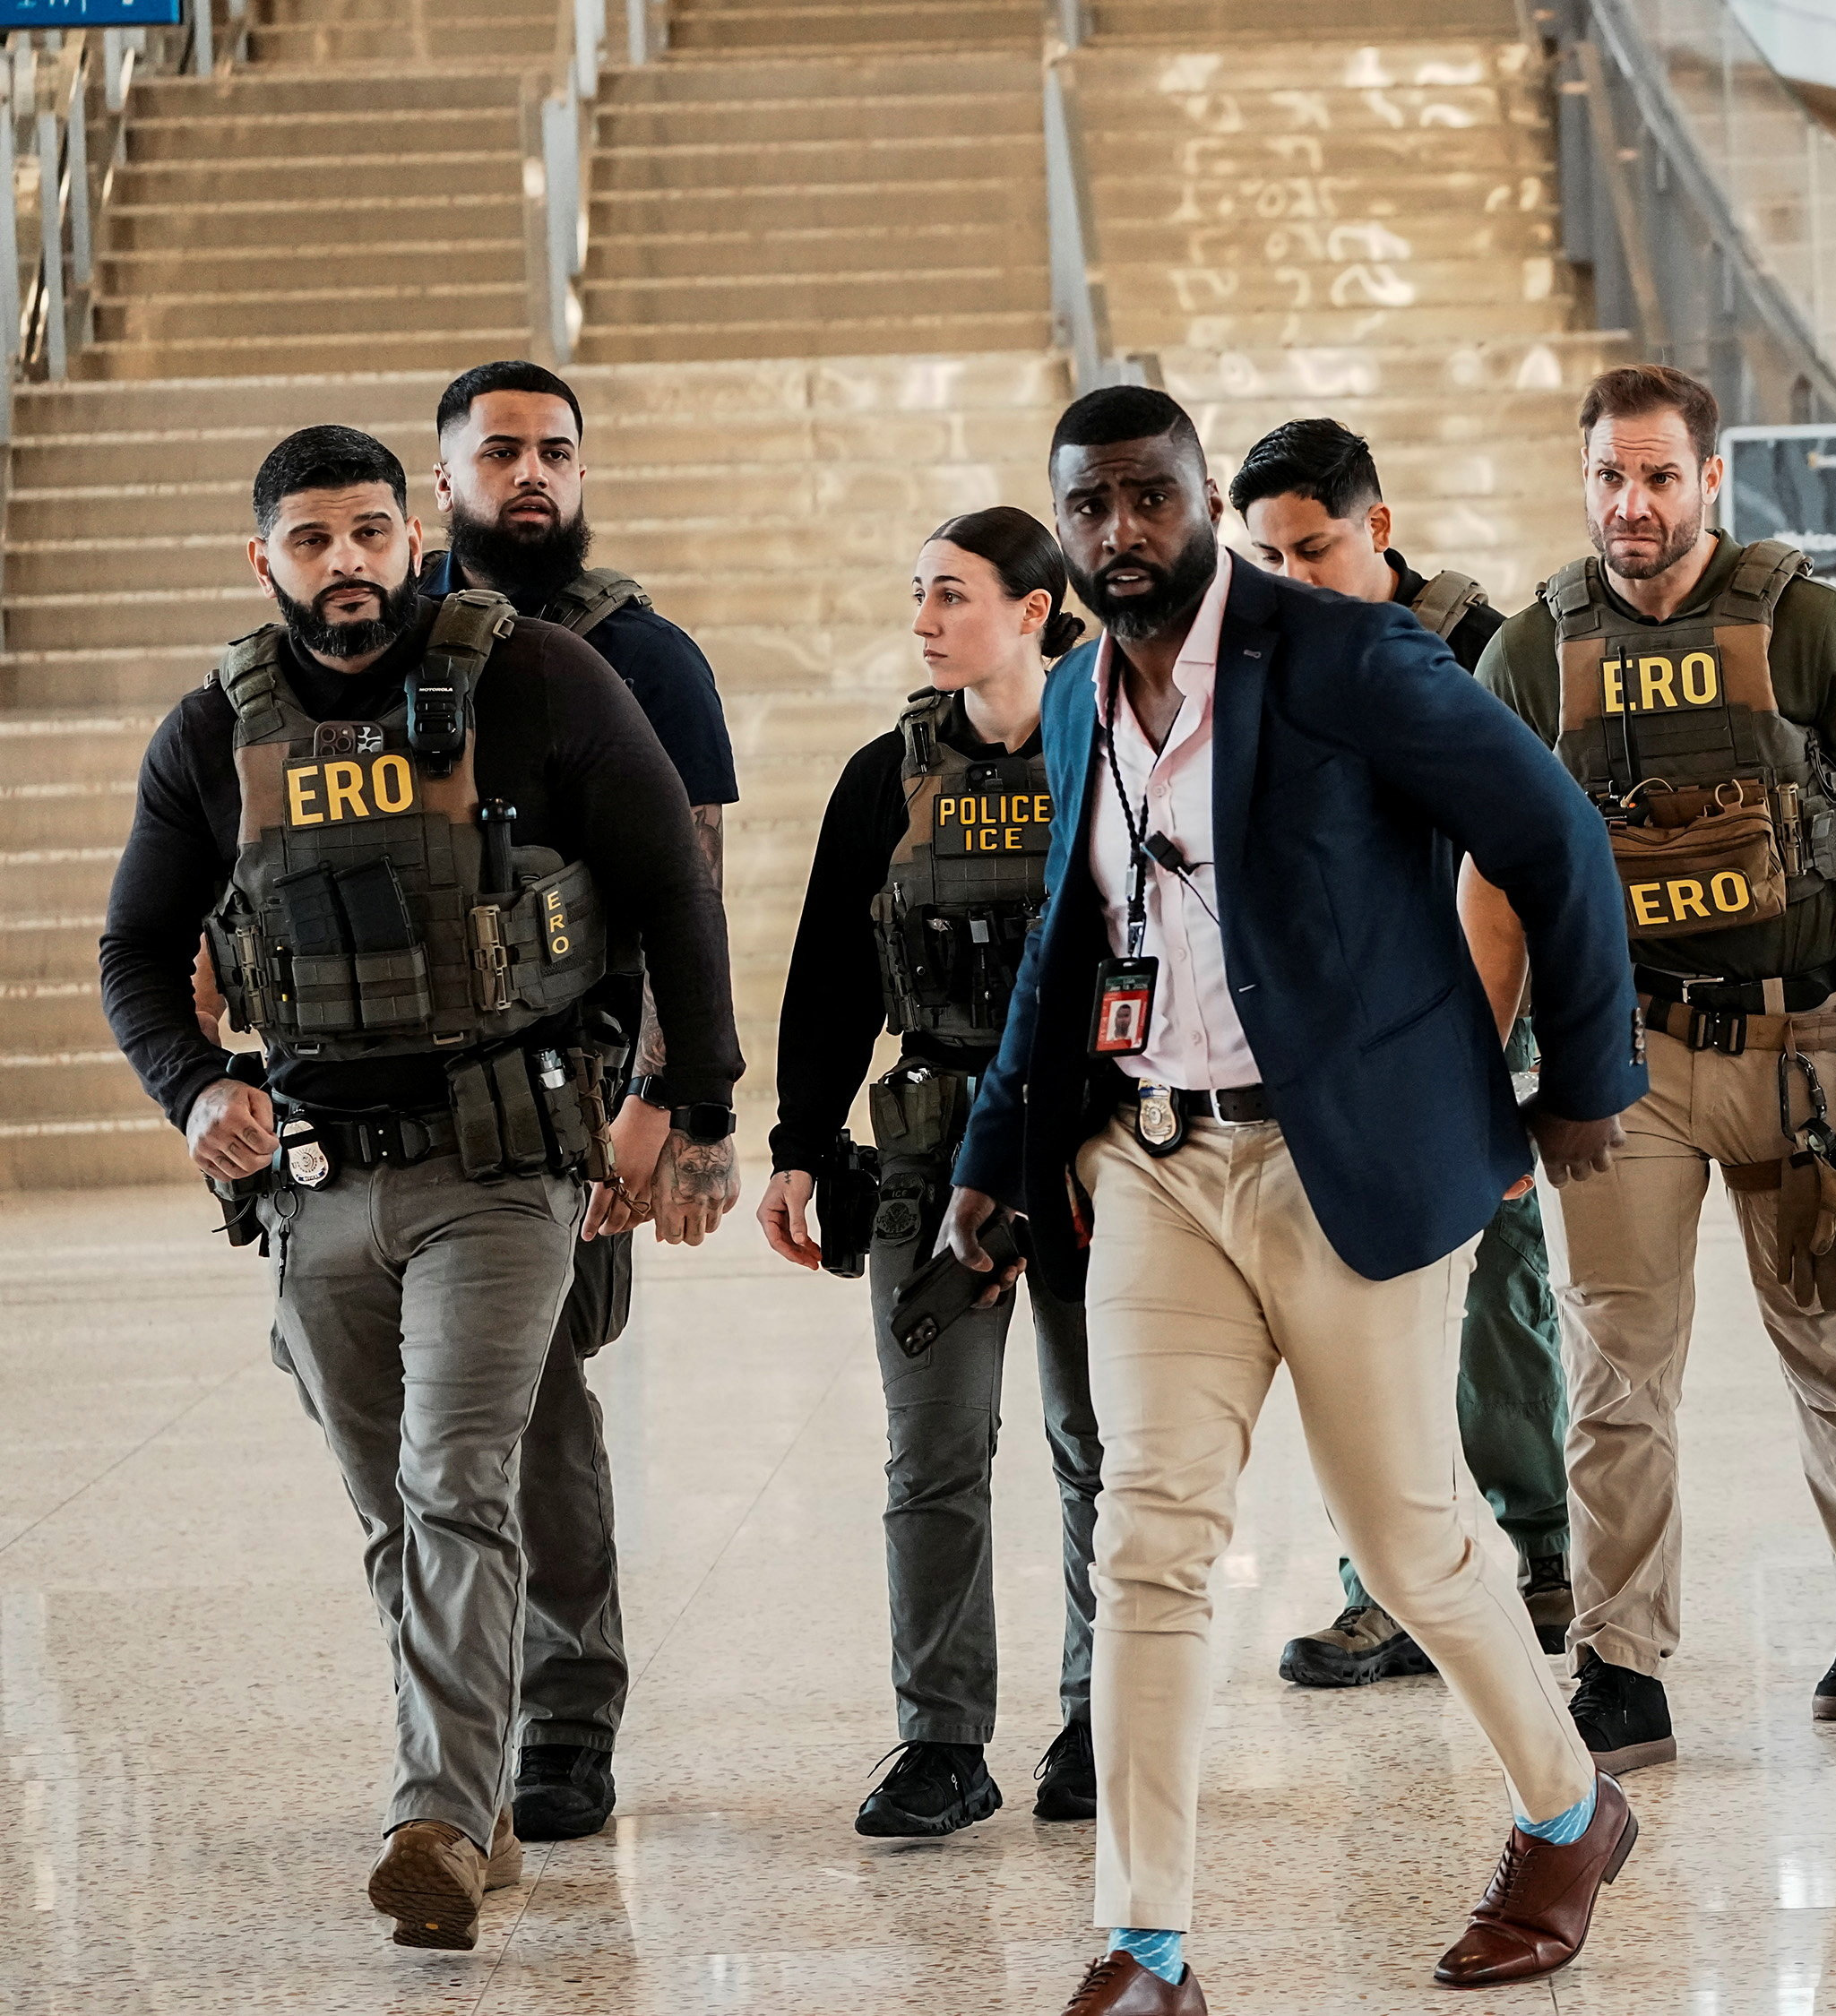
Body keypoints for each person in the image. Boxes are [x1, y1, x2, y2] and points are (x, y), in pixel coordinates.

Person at [935, 385, 1648, 2010]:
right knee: (1150, 1540)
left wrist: (1590, 1081)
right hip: (1156, 1164)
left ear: (1198, 500)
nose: (1123, 535)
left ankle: (1566, 1809)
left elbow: (1553, 837)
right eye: (1090, 508)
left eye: (1150, 500)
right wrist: (996, 1153)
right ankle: (1146, 1946)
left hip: (1349, 1159)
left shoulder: (1344, 658)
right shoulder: (1070, 707)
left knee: (1409, 1541)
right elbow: (1071, 937)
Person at [99, 425, 738, 1948]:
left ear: (412, 539)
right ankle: (480, 1790)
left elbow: (669, 888)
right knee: (393, 1513)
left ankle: (438, 1816)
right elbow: (133, 952)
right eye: (312, 542)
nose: (346, 566)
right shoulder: (213, 732)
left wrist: (689, 1105)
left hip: (503, 1166)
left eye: (372, 533)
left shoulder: (538, 684)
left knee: (460, 1481)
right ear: (267, 563)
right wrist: (198, 1092)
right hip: (313, 1180)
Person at [1464, 364, 1836, 1779]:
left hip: (1796, 1054)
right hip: (1614, 1064)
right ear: (1582, 484)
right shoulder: (1530, 651)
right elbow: (1498, 887)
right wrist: (1473, 1077)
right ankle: (1622, 1659)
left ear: (1712, 480)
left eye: (1657, 475)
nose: (1630, 504)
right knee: (1615, 1374)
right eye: (1606, 478)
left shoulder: (1807, 624)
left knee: (1831, 1348)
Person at [425, 358, 740, 1849]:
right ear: (444, 481)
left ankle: (564, 1713)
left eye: (556, 449)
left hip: (562, 1101)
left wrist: (673, 1106)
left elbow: (690, 891)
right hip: (387, 1104)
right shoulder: (368, 648)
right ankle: (452, 1717)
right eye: (501, 452)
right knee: (424, 1432)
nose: (531, 473)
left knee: (537, 1400)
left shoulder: (645, 657)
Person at [753, 507, 1105, 1837]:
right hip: (927, 1155)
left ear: (1033, 608)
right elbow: (832, 980)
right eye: (917, 596)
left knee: (1101, 1450)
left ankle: (1099, 1716)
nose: (922, 621)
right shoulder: (882, 774)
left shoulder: (1112, 751)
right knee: (934, 1457)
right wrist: (796, 1145)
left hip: (1094, 1150)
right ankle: (942, 1739)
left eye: (949, 595)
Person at [1228, 417, 1575, 1685]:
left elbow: (1548, 860)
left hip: (1480, 1015)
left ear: (1376, 527)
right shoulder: (1252, 662)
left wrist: (1517, 1066)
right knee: (1354, 1315)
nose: (1289, 576)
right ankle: (1379, 1584)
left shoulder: (1482, 650)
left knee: (1499, 1307)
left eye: (1311, 547)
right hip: (1339, 1038)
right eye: (1263, 554)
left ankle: (1537, 1553)